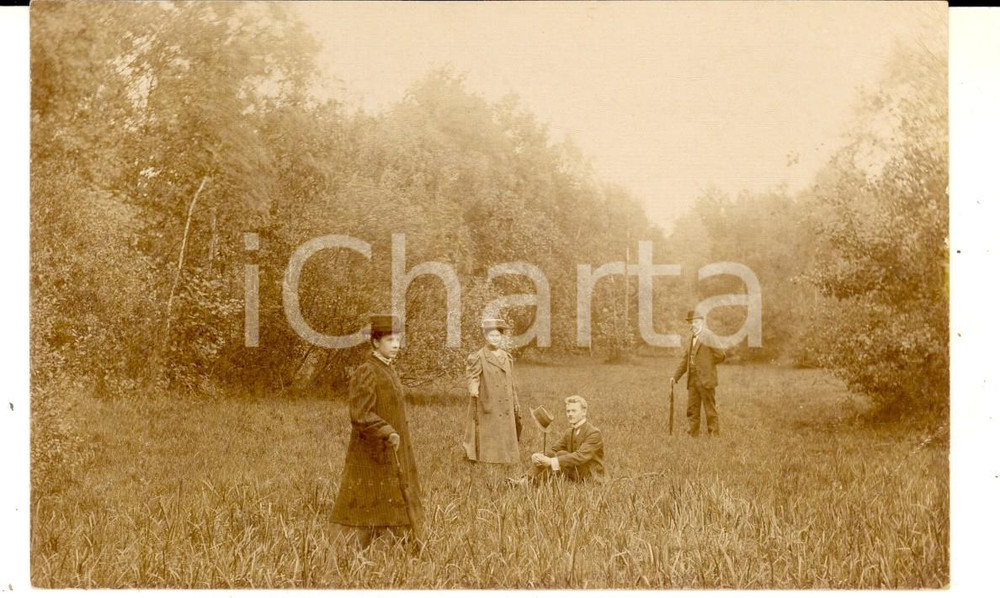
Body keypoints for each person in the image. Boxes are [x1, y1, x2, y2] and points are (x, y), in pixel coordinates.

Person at [331, 314, 424, 547]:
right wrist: (386, 431)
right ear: (375, 342)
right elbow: (360, 414)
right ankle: (359, 546)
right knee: (369, 497)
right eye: (390, 340)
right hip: (371, 449)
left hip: (392, 446)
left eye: (398, 340)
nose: (396, 345)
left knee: (393, 492)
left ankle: (394, 544)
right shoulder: (367, 371)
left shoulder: (388, 369)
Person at [463, 318, 521, 465]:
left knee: (506, 428)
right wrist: (473, 388)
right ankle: (489, 458)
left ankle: (508, 458)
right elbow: (473, 376)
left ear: (501, 337)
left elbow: (511, 381)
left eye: (497, 336)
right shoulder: (479, 356)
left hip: (506, 400)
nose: (495, 339)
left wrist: (515, 400)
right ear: (485, 336)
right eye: (491, 336)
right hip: (489, 398)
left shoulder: (506, 357)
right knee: (491, 428)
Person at [519, 395, 605, 484]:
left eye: (574, 411)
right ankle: (525, 480)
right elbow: (553, 450)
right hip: (575, 472)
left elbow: (580, 457)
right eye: (568, 411)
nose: (570, 414)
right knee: (550, 454)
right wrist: (538, 455)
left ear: (584, 412)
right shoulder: (569, 432)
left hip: (590, 478)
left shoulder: (594, 433)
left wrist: (551, 461)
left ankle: (532, 483)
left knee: (560, 454)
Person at [670, 310, 726, 437]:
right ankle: (692, 435)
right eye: (691, 322)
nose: (692, 325)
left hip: (706, 379)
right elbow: (685, 360)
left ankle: (714, 436)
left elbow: (721, 355)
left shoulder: (709, 336)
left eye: (695, 322)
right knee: (692, 409)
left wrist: (707, 365)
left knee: (709, 409)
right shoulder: (691, 337)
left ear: (701, 322)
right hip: (692, 380)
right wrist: (675, 377)